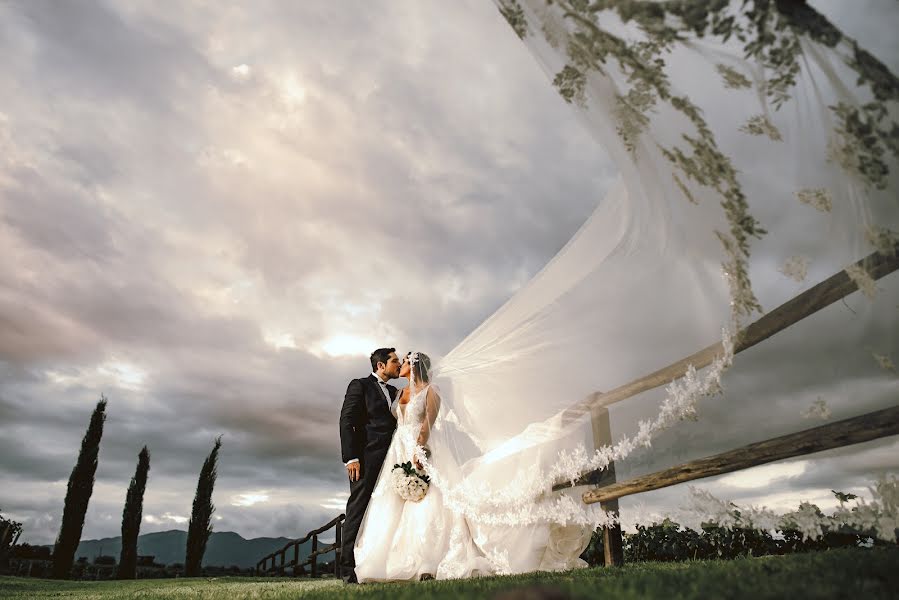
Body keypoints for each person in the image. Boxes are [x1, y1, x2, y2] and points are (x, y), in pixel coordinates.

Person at [338, 347, 401, 584]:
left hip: (394, 458)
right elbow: (347, 420)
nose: (398, 365)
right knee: (358, 510)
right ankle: (347, 570)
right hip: (366, 459)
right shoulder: (360, 385)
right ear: (380, 366)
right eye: (394, 361)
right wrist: (351, 457)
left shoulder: (396, 391)